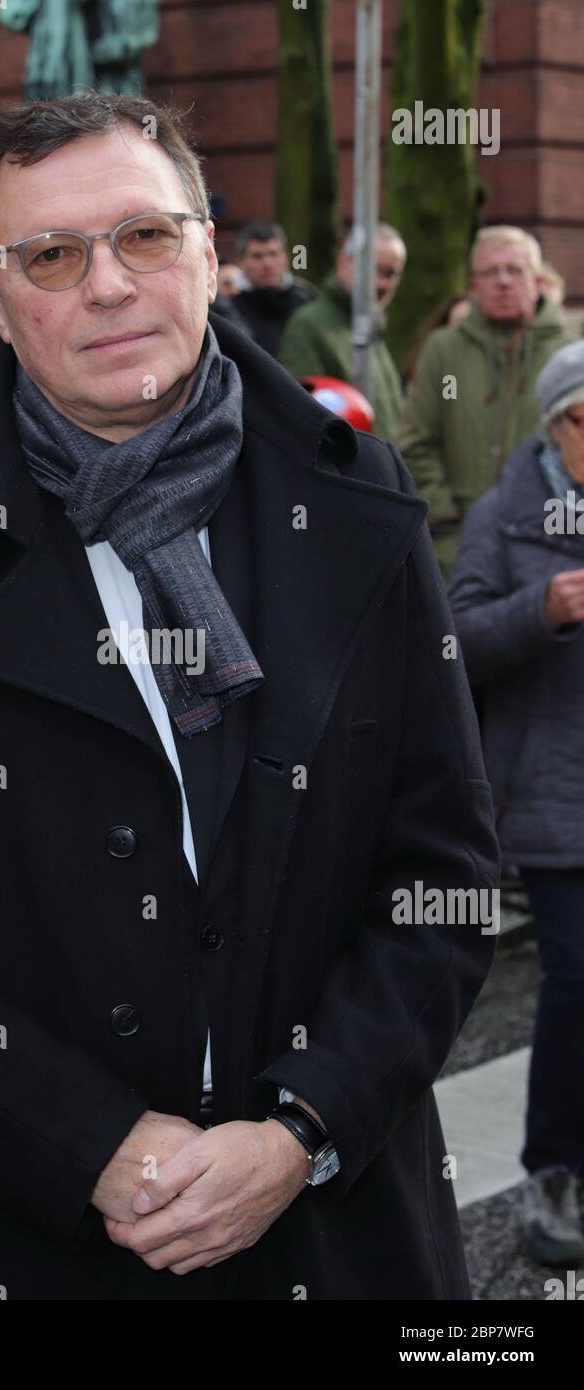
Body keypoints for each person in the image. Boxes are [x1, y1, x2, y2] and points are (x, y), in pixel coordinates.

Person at [0, 91, 499, 1301]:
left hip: (336, 1233)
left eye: (145, 236)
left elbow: (441, 872)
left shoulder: (358, 504)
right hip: (27, 1236)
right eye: (51, 254)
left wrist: (299, 1128)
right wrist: (92, 1145)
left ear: (210, 252)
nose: (105, 284)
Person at [448, 339, 584, 1266]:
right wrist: (543, 610)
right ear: (558, 422)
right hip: (549, 790)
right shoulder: (507, 512)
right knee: (575, 982)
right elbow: (455, 638)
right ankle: (553, 1171)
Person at [397, 226, 573, 583]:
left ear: (537, 281)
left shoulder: (571, 354)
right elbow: (416, 445)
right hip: (461, 548)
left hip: (554, 548)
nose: (503, 281)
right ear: (474, 285)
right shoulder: (443, 350)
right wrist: (450, 532)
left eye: (515, 270)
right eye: (490, 272)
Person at [277, 223, 407, 441]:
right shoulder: (309, 326)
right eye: (374, 269)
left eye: (390, 273)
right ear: (344, 263)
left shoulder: (371, 330)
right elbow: (304, 426)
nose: (381, 283)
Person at [226, 220, 315, 356]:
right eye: (257, 256)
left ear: (285, 257)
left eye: (273, 254)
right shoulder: (229, 310)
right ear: (241, 262)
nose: (267, 263)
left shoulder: (306, 300)